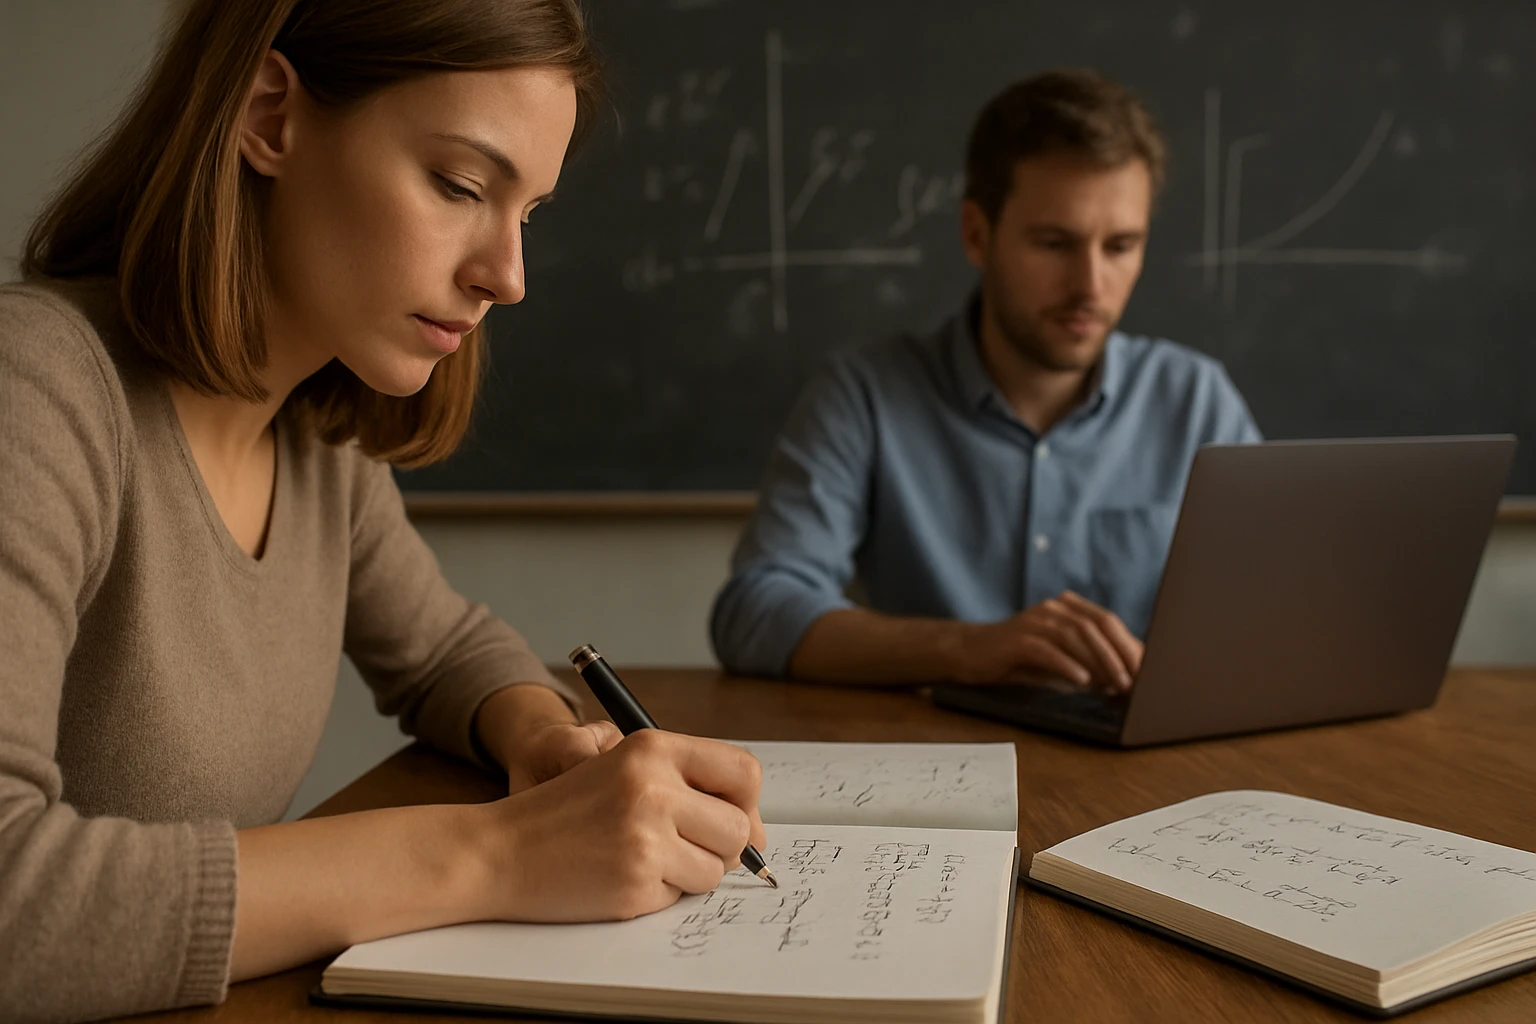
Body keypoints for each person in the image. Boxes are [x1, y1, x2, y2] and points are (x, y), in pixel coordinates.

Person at [0, 2, 765, 1020]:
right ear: (271, 116)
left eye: (526, 213)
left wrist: (540, 735)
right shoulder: (38, 388)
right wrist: (498, 851)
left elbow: (447, 651)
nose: (508, 276)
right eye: (460, 185)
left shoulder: (314, 441)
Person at [711, 70, 1260, 693]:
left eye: (1121, 246)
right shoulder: (865, 395)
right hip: (934, 768)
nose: (1090, 286)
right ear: (977, 233)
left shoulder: (1196, 402)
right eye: (1055, 243)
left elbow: (1277, 614)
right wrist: (966, 647)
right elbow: (753, 611)